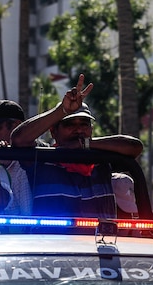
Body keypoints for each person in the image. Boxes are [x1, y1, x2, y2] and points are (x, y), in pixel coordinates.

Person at [10, 74, 143, 218]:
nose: (78, 130)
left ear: (91, 129)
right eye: (69, 124)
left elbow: (135, 147)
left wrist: (85, 144)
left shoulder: (101, 159)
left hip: (101, 240)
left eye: (84, 124)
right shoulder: (43, 159)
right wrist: (62, 110)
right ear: (53, 132)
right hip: (51, 240)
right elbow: (18, 139)